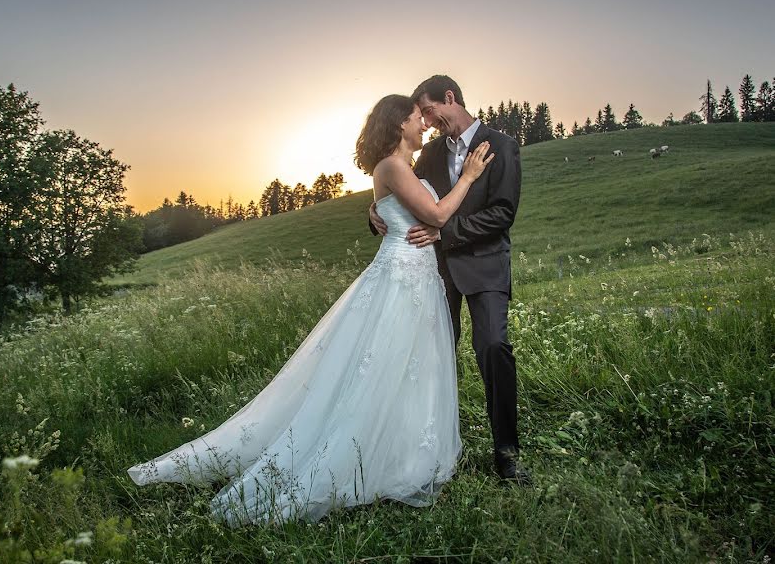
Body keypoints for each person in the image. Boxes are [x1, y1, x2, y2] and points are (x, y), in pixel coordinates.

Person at [127, 94, 493, 526]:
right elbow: (434, 211)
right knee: (381, 370)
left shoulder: (402, 168)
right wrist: (468, 178)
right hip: (399, 280)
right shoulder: (392, 167)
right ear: (398, 126)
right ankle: (356, 458)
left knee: (410, 370)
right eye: (417, 119)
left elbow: (415, 215)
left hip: (418, 278)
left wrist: (399, 216)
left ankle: (402, 453)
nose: (423, 125)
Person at [368, 75, 530, 485]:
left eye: (428, 111)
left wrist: (447, 232)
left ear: (450, 98)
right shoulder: (431, 154)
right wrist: (373, 215)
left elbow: (503, 213)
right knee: (431, 356)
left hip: (486, 265)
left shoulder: (502, 145)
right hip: (436, 272)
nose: (426, 121)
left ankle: (507, 454)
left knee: (493, 346)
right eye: (420, 116)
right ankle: (426, 447)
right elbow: (403, 192)